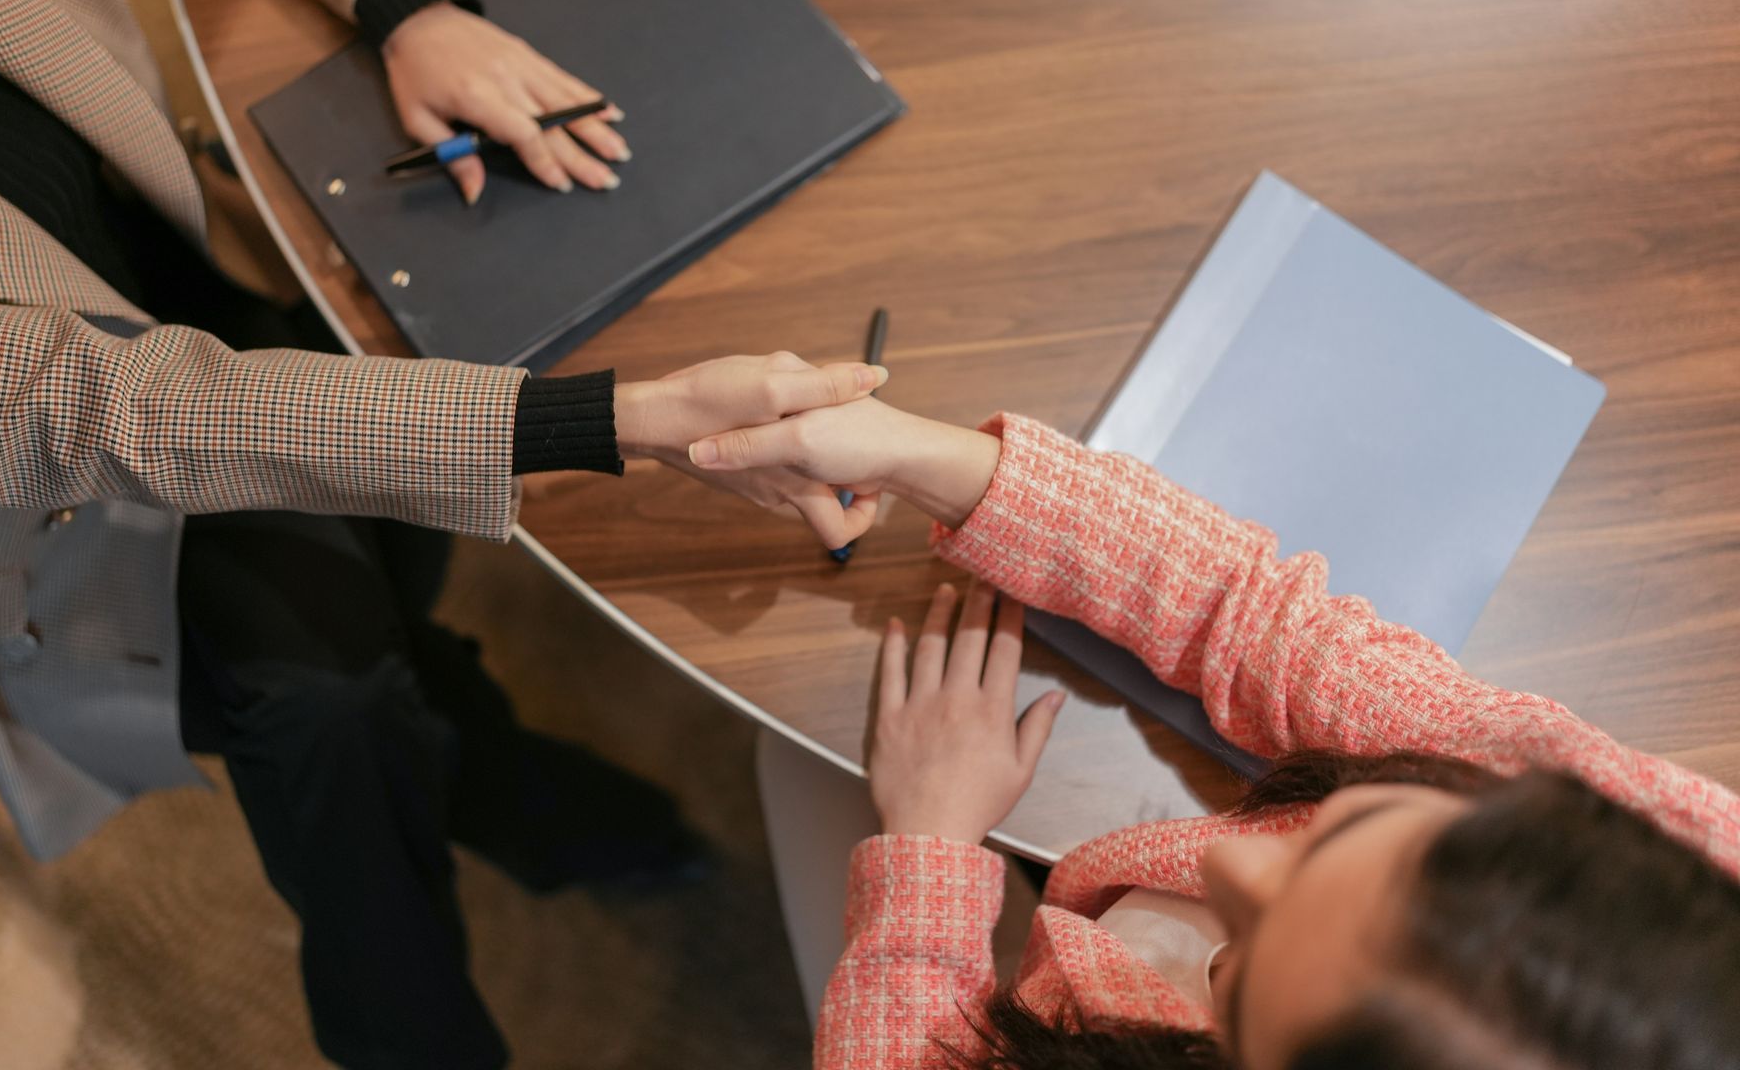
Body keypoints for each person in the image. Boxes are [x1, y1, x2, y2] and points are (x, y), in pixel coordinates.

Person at [0, 0, 882, 1067]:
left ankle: (497, 775)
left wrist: (407, 7)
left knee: (375, 574)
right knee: (331, 703)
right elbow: (131, 411)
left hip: (184, 283)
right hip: (40, 523)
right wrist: (615, 418)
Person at [685, 399, 1740, 1068]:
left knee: (794, 754)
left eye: (1246, 976)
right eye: (1347, 832)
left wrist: (930, 841)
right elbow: (1268, 623)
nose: (1236, 864)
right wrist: (932, 455)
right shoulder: (1674, 858)